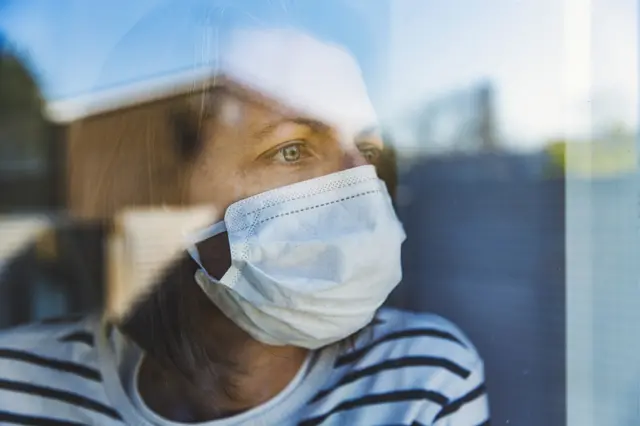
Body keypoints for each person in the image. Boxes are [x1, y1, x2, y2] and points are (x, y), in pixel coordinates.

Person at [0, 5, 490, 426]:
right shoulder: (17, 386)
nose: (361, 187)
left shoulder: (421, 381)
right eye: (293, 149)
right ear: (163, 190)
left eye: (366, 147)